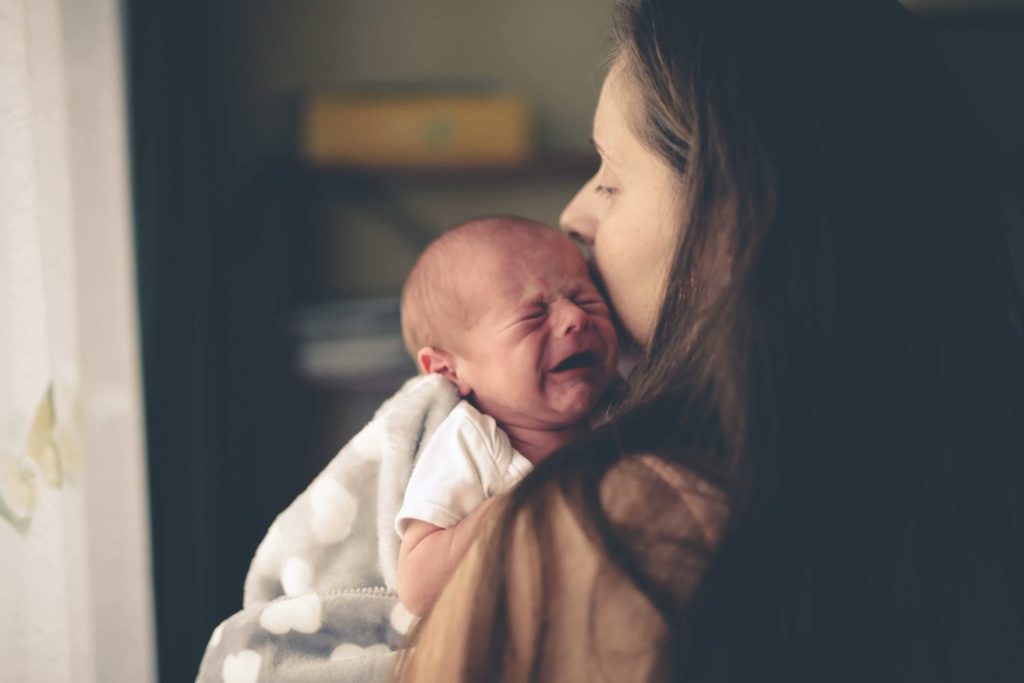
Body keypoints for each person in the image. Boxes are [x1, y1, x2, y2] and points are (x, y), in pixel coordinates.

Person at [393, 1, 1024, 681]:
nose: (573, 215)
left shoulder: (621, 538)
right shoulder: (969, 462)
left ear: (735, 222)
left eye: (610, 178)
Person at [395, 215, 619, 616]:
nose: (575, 318)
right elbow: (417, 586)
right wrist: (511, 512)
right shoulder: (471, 445)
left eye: (585, 298)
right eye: (534, 315)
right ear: (449, 370)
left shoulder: (622, 409)